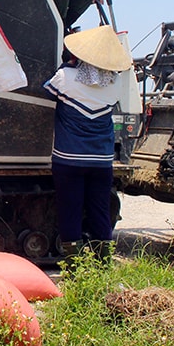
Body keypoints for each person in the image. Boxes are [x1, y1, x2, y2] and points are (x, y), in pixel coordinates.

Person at [43, 24, 133, 265]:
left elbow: (48, 90)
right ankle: (103, 265)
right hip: (102, 161)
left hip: (69, 159)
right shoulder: (114, 84)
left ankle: (73, 268)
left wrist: (66, 65)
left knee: (70, 210)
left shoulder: (65, 77)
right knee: (100, 211)